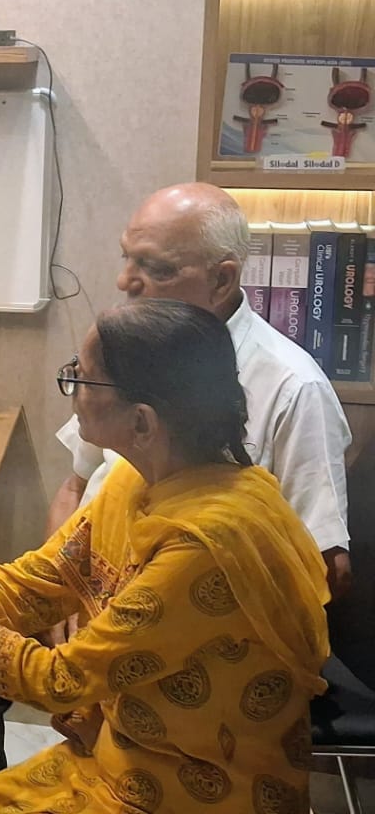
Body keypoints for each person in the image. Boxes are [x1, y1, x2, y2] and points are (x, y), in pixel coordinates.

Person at [0, 298, 331, 813]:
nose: (73, 388)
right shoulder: (134, 481)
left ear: (142, 423)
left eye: (85, 378)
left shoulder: (205, 543)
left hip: (188, 792)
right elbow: (39, 580)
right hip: (120, 756)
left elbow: (59, 680)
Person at [50, 183, 352, 603]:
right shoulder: (126, 344)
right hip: (89, 592)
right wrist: (61, 595)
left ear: (222, 279)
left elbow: (324, 567)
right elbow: (75, 487)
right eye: (127, 258)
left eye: (157, 268)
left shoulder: (294, 388)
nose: (125, 281)